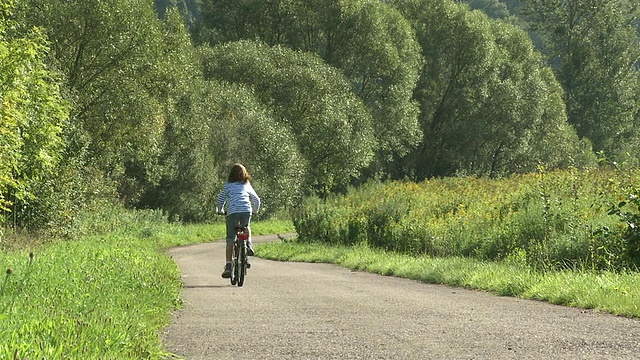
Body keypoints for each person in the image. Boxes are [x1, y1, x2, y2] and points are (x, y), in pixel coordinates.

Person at [216, 163, 261, 278]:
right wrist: (254, 210)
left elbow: (221, 199)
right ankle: (249, 245)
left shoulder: (228, 186)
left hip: (232, 212)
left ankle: (228, 266)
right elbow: (256, 199)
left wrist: (220, 210)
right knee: (246, 227)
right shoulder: (246, 184)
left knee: (230, 238)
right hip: (246, 210)